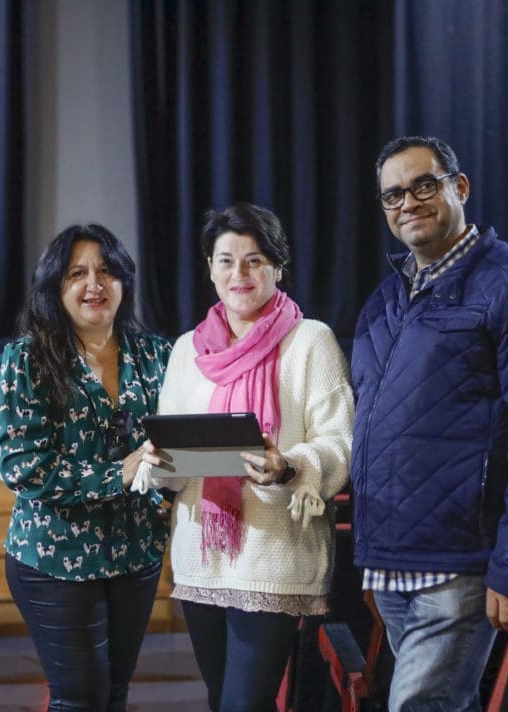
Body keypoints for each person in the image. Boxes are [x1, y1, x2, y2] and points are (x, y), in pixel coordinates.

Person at [349, 136, 508, 711]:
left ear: (460, 187)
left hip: (462, 563)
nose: (408, 202)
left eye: (423, 185)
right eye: (392, 195)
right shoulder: (385, 301)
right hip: (392, 563)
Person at [134, 203, 354, 712]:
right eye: (227, 260)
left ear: (278, 267)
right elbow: (174, 454)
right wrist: (157, 464)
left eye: (255, 260)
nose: (240, 273)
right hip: (201, 557)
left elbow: (339, 440)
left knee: (243, 704)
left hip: (274, 552)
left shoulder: (310, 341)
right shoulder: (186, 350)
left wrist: (289, 465)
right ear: (210, 269)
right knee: (222, 701)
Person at [0, 224, 172, 712]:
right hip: (55, 557)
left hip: (136, 552)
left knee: (114, 695)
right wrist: (119, 473)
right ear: (55, 286)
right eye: (77, 273)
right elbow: (21, 466)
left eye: (107, 271)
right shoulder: (25, 359)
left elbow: (177, 443)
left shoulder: (156, 355)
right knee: (79, 699)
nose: (95, 284)